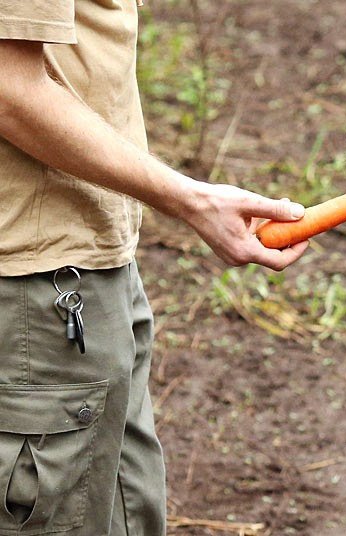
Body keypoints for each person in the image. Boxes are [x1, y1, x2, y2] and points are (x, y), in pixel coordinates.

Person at [0, 2, 308, 534]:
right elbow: (9, 88)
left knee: (125, 504)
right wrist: (192, 200)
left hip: (91, 261)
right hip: (39, 281)